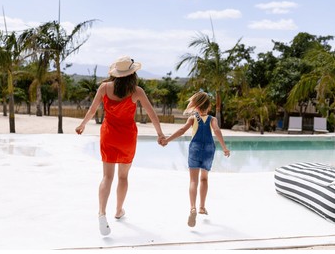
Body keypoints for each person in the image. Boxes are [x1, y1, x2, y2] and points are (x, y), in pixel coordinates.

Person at [75, 56, 165, 236]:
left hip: (108, 135)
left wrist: (83, 124)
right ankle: (118, 210)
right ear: (132, 74)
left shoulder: (104, 87)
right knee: (123, 177)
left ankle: (101, 213)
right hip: (127, 138)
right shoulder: (137, 91)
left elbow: (92, 109)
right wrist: (160, 134)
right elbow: (152, 114)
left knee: (107, 177)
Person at [160, 91, 230, 227]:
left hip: (195, 149)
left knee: (193, 180)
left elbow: (181, 131)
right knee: (204, 178)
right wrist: (225, 147)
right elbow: (217, 131)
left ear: (196, 107)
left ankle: (193, 208)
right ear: (209, 107)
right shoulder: (212, 119)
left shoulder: (193, 118)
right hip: (209, 149)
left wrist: (167, 140)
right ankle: (202, 207)